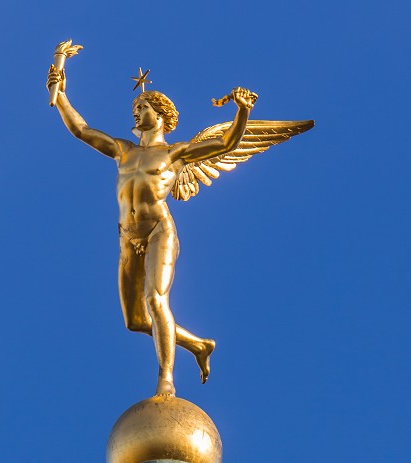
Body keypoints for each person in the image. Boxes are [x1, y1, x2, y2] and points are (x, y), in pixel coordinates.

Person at [48, 68, 258, 397]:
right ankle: (199, 345)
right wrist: (60, 95)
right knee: (135, 321)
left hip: (158, 230)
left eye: (143, 106)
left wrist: (242, 110)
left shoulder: (175, 153)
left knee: (155, 299)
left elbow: (227, 142)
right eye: (134, 109)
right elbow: (81, 129)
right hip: (127, 237)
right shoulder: (123, 150)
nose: (136, 111)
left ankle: (166, 381)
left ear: (160, 115)